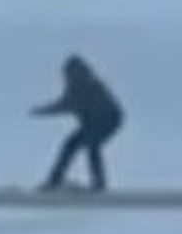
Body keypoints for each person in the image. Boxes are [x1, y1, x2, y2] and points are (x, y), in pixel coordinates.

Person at [31, 53, 124, 191]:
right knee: (70, 146)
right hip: (93, 123)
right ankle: (55, 181)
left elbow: (65, 105)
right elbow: (65, 104)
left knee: (92, 145)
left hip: (109, 119)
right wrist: (43, 111)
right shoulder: (75, 87)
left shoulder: (89, 85)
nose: (67, 77)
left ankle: (98, 183)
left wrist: (43, 111)